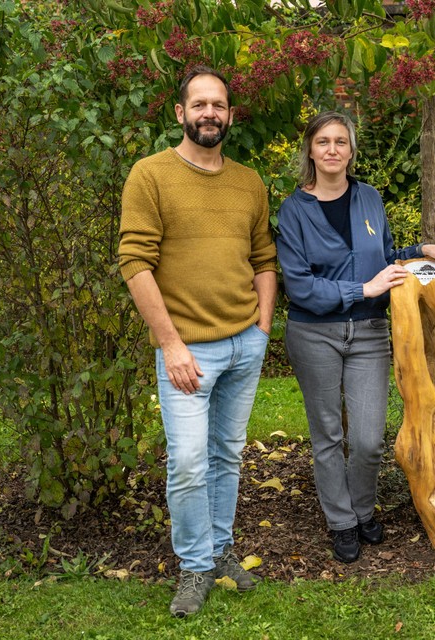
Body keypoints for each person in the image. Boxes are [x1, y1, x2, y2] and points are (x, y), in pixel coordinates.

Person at [118, 66, 277, 616]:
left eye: (220, 105)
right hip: (186, 348)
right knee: (187, 461)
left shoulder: (248, 181)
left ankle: (220, 551)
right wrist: (171, 345)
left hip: (243, 343)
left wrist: (261, 327)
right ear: (181, 113)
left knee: (227, 455)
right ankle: (194, 568)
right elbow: (134, 262)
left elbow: (263, 258)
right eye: (200, 104)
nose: (211, 113)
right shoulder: (150, 175)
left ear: (230, 115)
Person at [276, 111, 435, 563]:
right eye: (323, 142)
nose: (333, 149)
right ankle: (341, 522)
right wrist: (363, 290)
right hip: (314, 333)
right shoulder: (293, 210)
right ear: (311, 151)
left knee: (368, 439)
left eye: (341, 141)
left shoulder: (370, 198)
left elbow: (380, 257)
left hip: (370, 333)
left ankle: (361, 510)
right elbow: (299, 286)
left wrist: (420, 251)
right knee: (326, 435)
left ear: (351, 151)